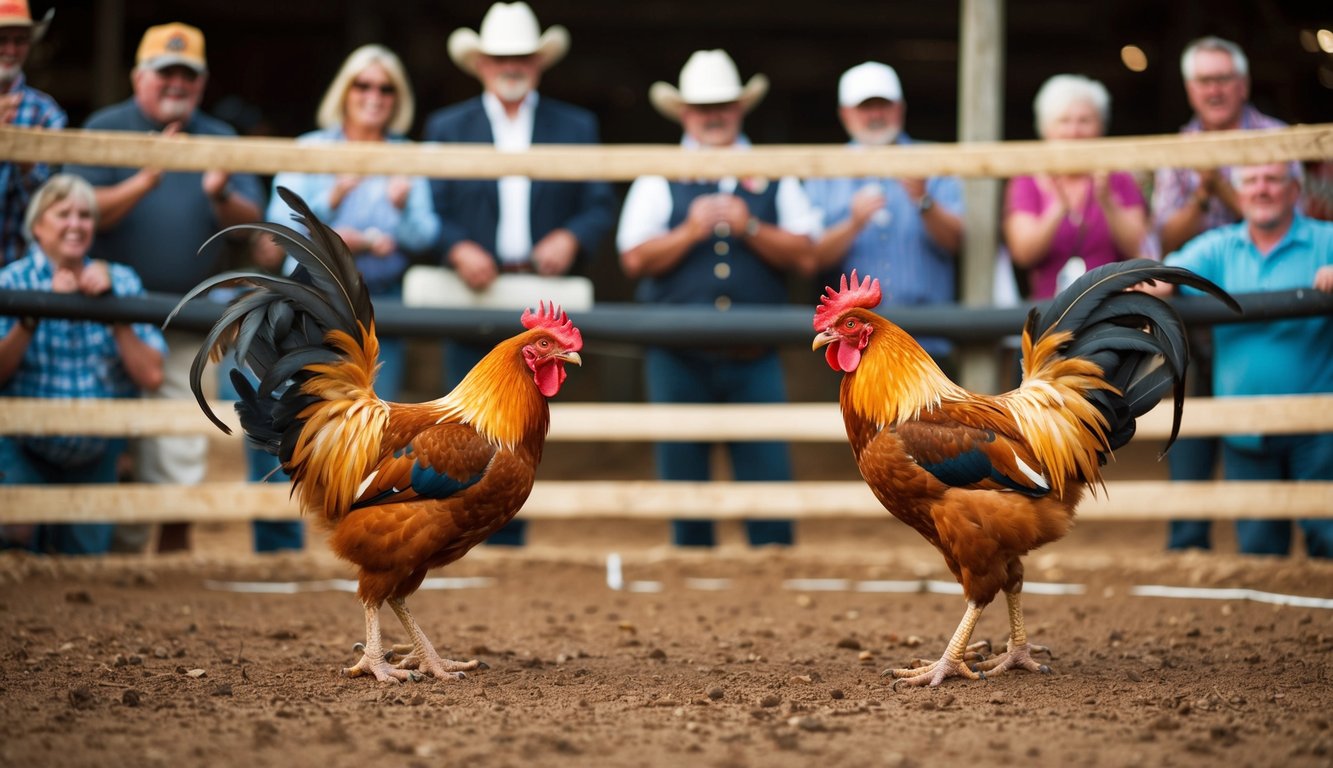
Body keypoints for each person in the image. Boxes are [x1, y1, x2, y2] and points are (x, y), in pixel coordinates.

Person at [65, 22, 264, 554]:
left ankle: (171, 560)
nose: (177, 83)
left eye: (188, 75)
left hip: (190, 315)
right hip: (105, 311)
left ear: (201, 82)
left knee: (180, 436)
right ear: (138, 77)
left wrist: (220, 193)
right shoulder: (106, 126)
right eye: (165, 73)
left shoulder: (219, 137)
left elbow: (254, 223)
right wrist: (145, 178)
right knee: (104, 435)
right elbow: (71, 213)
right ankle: (110, 557)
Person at [423, 1, 616, 546]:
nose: (512, 65)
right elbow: (426, 207)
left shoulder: (575, 125)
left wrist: (570, 237)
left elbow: (599, 201)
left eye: (522, 57)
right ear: (480, 63)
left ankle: (509, 538)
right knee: (456, 435)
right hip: (469, 288)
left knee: (524, 432)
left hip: (540, 289)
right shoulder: (447, 126)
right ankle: (455, 539)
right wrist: (457, 247)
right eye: (500, 57)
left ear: (539, 62)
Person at [616, 49, 820, 548]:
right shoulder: (659, 172)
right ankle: (692, 564)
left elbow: (807, 255)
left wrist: (749, 225)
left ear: (740, 108)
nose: (713, 116)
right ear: (684, 113)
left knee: (768, 475)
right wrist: (689, 231)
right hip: (678, 349)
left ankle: (773, 563)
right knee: (683, 475)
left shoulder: (772, 170)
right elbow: (634, 259)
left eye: (723, 105)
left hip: (755, 348)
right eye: (703, 107)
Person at [1146, 163, 1333, 558]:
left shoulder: (1325, 239)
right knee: (1259, 552)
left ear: (1295, 189)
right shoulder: (1219, 246)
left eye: (1273, 179)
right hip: (1244, 429)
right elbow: (1163, 274)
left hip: (1320, 429)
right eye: (1250, 181)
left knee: (1328, 541)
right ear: (1237, 192)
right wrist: (1140, 285)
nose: (1261, 189)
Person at [1152, 37, 1291, 552]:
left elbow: (1289, 214)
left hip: (1262, 312)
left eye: (1222, 79)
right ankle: (1189, 546)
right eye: (1204, 81)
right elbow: (1166, 238)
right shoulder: (1178, 147)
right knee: (1189, 421)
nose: (1214, 89)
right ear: (1191, 89)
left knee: (1272, 423)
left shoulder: (1276, 137)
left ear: (1243, 84)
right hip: (1194, 312)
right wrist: (1204, 194)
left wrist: (1223, 188)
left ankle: (1279, 549)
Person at [0, 175, 166, 555]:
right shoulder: (11, 281)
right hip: (22, 447)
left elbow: (152, 375)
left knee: (84, 567)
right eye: (63, 214)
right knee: (17, 554)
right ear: (37, 226)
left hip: (96, 453)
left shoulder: (121, 280)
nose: (76, 224)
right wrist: (35, 310)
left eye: (85, 215)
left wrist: (113, 311)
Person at [267, 43, 440, 402]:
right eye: (362, 85)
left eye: (385, 87)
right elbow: (277, 229)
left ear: (397, 97)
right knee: (298, 411)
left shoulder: (407, 155)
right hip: (313, 296)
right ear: (344, 91)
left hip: (380, 300)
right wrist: (331, 199)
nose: (373, 95)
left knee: (375, 417)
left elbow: (424, 236)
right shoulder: (310, 148)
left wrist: (403, 207)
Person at [804, 61, 963, 367]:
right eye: (865, 107)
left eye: (883, 105)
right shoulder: (822, 168)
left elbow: (959, 243)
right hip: (852, 340)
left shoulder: (933, 160)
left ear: (900, 108)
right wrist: (853, 224)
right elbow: (810, 260)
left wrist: (924, 202)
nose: (875, 115)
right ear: (845, 114)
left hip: (928, 338)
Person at [1002, 74, 1148, 301]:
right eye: (1064, 121)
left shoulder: (1119, 177)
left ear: (1100, 127)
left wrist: (1108, 202)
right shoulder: (1027, 180)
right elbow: (1023, 254)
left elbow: (1140, 246)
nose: (1074, 131)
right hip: (1049, 312)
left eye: (1084, 121)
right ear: (1046, 129)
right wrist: (1057, 209)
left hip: (1112, 309)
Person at [0, 0, 65, 266]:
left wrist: (26, 165)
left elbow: (53, 206)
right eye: (1, 39)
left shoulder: (46, 112)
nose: (11, 50)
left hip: (22, 272)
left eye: (20, 40)